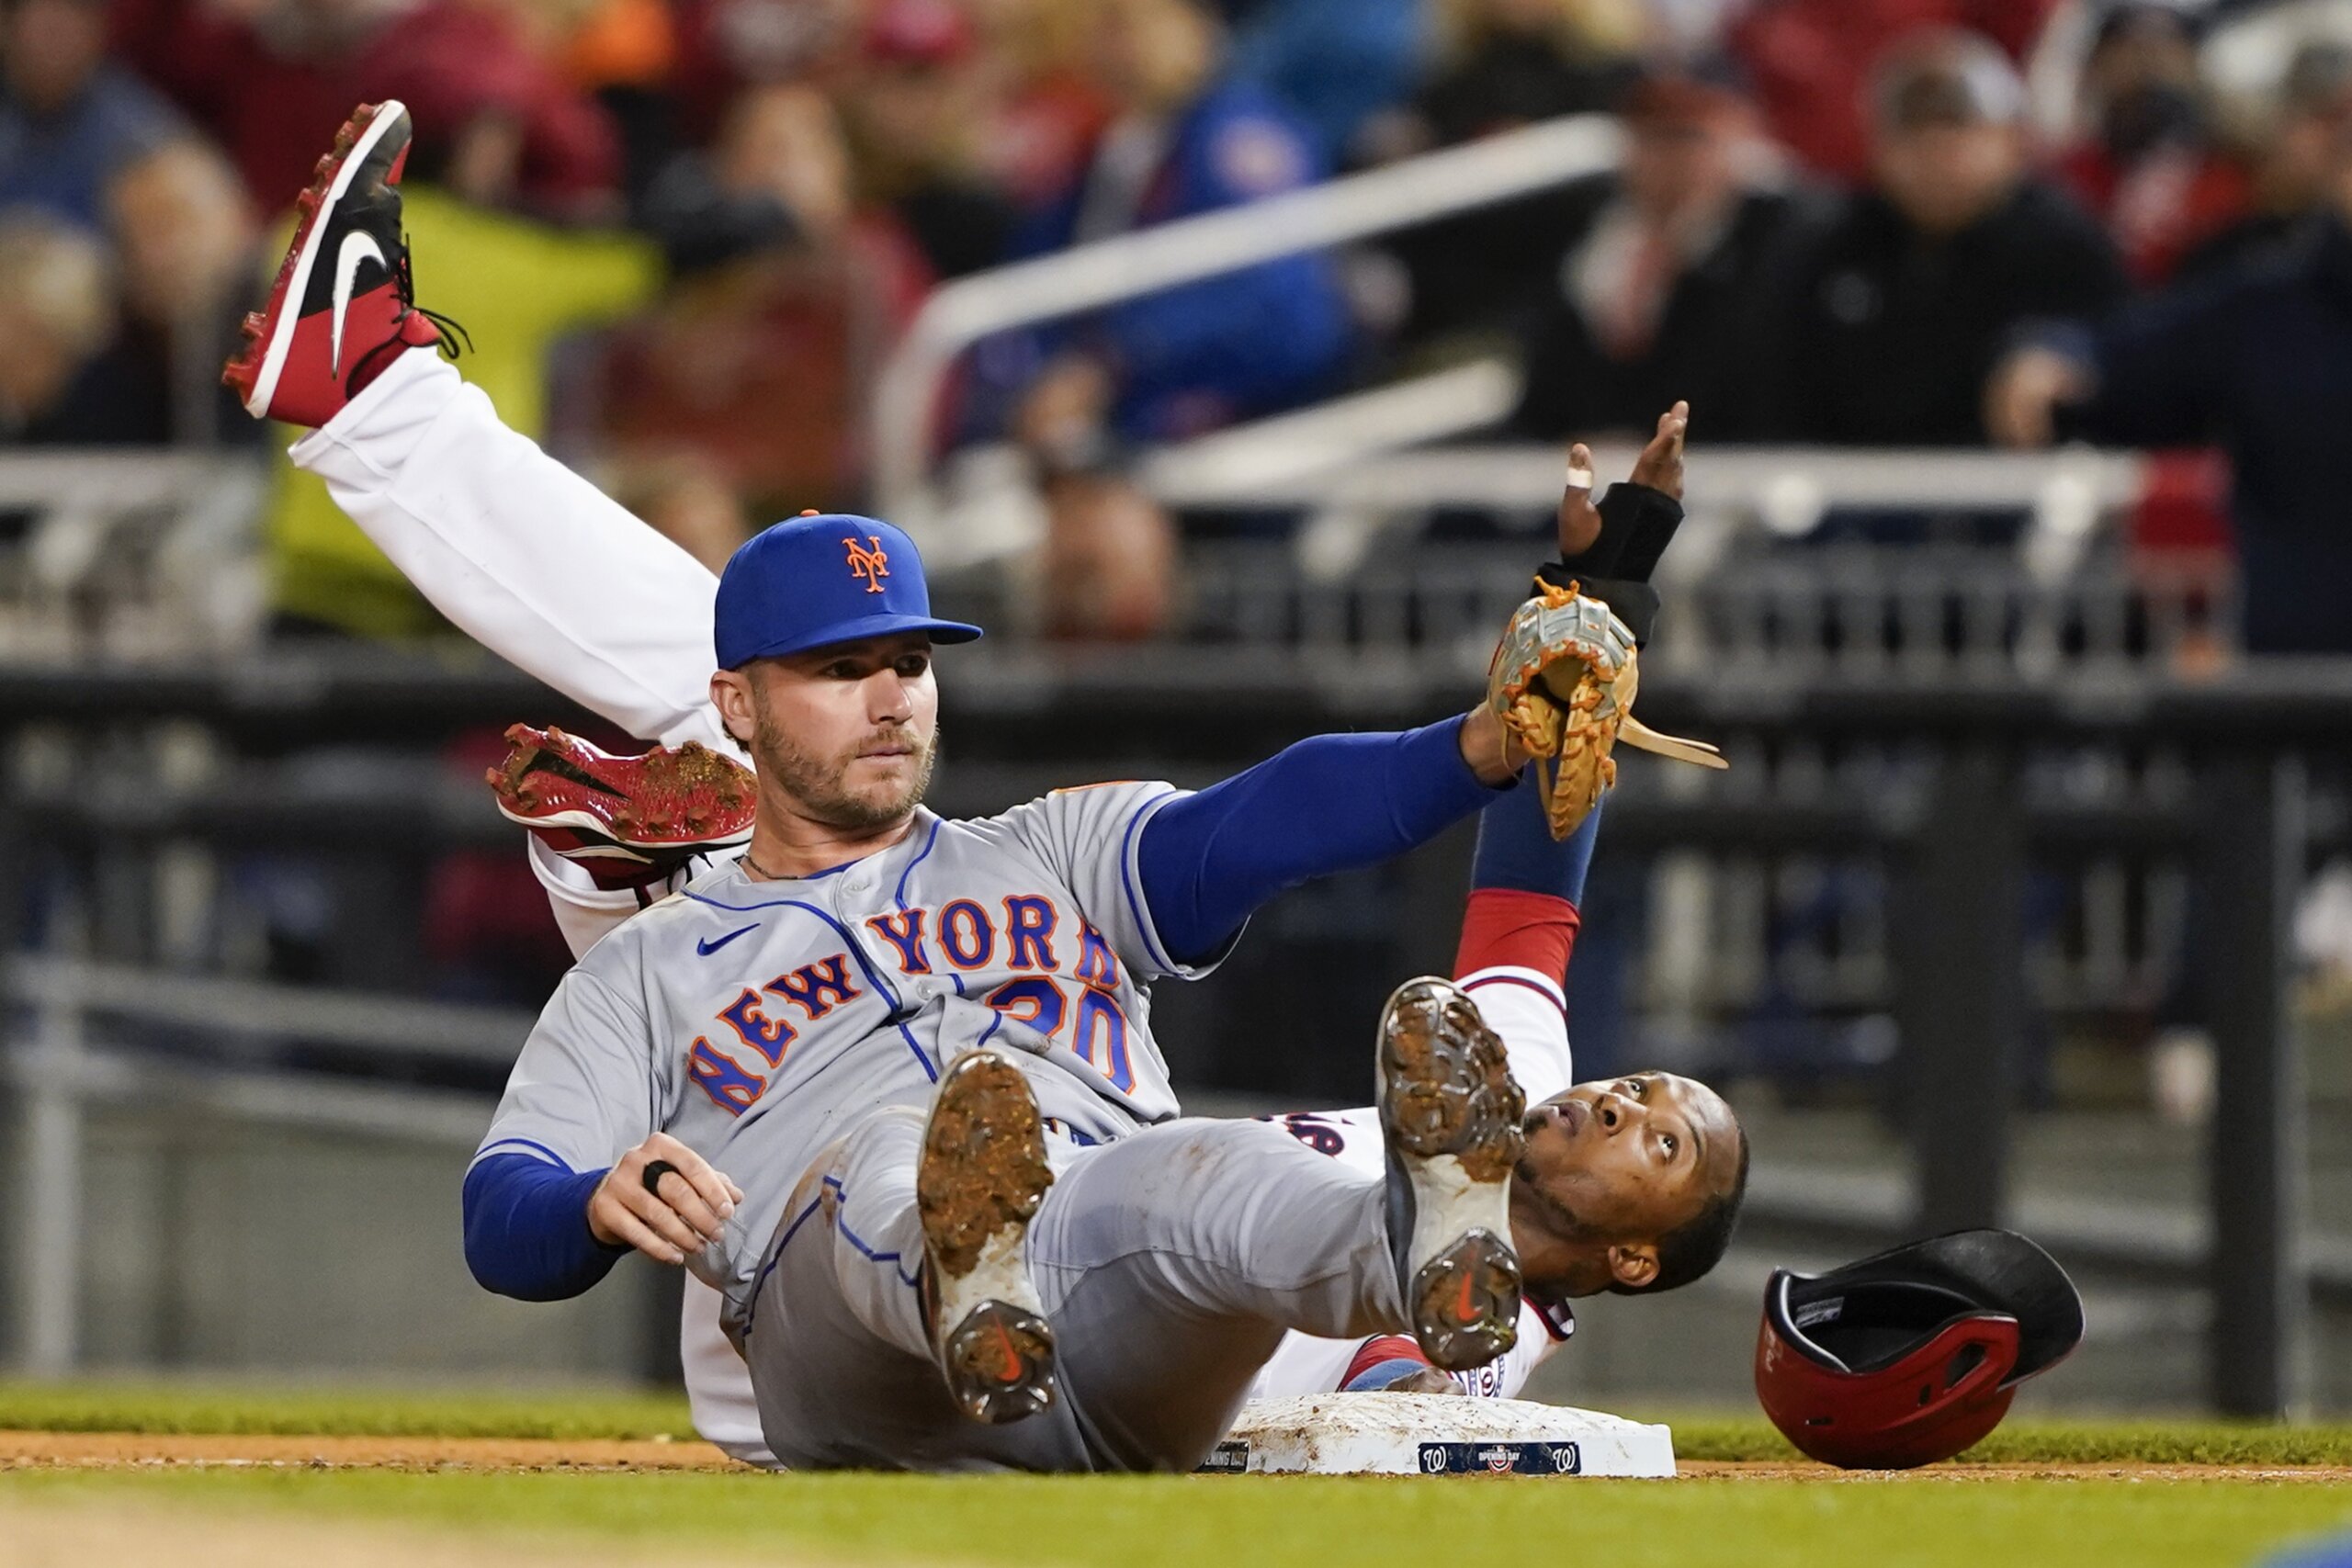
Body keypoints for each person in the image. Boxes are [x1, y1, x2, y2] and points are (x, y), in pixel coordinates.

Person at [224, 102, 1745, 1469]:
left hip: (1136, 1325)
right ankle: (966, 1232)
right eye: (1657, 1099)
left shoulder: (1487, 1271)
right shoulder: (1491, 1043)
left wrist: (1433, 1323)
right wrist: (1572, 639)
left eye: (1660, 1140)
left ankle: (1381, 1232)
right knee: (912, 1132)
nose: (1621, 1101)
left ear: (1629, 1258)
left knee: (1185, 1170)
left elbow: (1414, 1411)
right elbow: (1358, 840)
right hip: (843, 1316)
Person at [1984, 62, 2352, 656]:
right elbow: (2109, 363)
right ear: (2339, 176)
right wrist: (2048, 358)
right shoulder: (2261, 310)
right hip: (2299, 687)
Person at [1760, 28, 2128, 446]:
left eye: (1957, 132)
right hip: (1854, 489)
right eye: (1914, 135)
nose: (1935, 157)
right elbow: (1782, 385)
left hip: (2018, 491)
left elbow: (2117, 358)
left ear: (2011, 140)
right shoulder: (1836, 245)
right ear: (1878, 147)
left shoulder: (2062, 244)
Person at [0, 0, 186, 229]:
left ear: (99, 31)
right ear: (7, 28)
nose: (55, 45)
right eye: (45, 29)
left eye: (68, 27)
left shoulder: (142, 135)